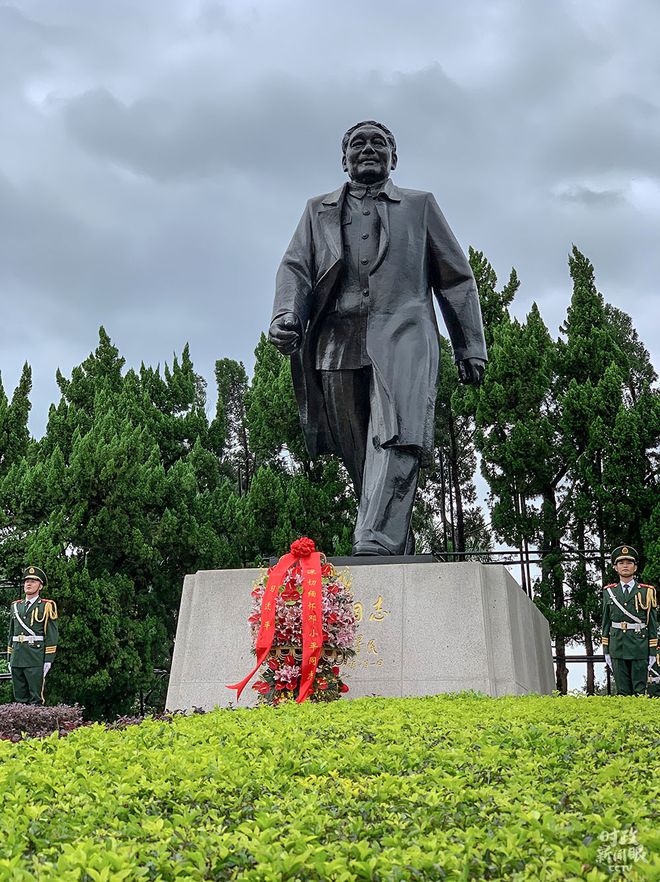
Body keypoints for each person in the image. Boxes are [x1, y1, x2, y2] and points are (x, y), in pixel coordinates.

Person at [269, 121, 487, 555]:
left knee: (396, 433)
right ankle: (388, 534)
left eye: (379, 143)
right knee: (359, 449)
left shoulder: (420, 206)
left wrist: (470, 345)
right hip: (337, 338)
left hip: (402, 334)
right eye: (357, 144)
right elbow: (295, 267)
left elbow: (456, 279)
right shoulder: (318, 210)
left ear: (394, 157)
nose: (368, 149)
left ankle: (376, 538)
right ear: (344, 158)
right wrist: (286, 314)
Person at [601, 545, 657, 696]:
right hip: (617, 646)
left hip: (639, 646)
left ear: (635, 567)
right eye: (621, 563)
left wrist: (652, 651)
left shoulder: (647, 591)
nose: (625, 566)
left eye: (629, 562)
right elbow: (605, 623)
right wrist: (606, 650)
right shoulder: (609, 592)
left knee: (640, 691)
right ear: (615, 567)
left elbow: (652, 623)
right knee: (622, 692)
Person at [6, 566, 58, 705]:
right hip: (17, 657)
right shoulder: (16, 606)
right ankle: (20, 726)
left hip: (35, 658)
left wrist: (48, 660)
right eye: (26, 581)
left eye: (33, 581)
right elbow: (11, 633)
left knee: (36, 699)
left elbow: (51, 635)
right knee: (19, 699)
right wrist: (9, 657)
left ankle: (35, 726)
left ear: (40, 586)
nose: (28, 584)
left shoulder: (46, 606)